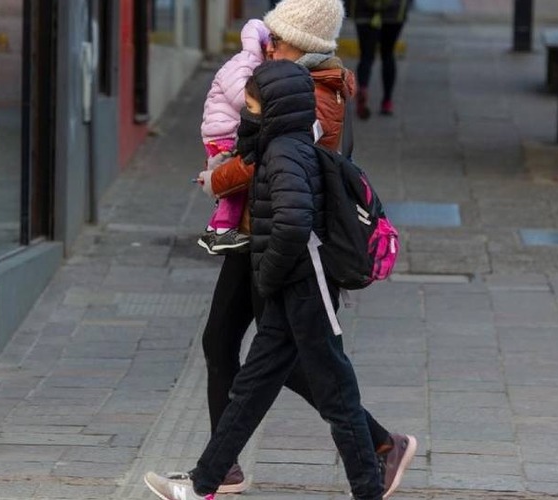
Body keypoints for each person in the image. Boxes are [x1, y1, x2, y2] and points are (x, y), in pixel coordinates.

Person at [194, 0, 416, 496]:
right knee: (229, 344)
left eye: (279, 39)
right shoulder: (290, 82)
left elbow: (281, 164)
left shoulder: (314, 96)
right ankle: (221, 468)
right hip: (259, 230)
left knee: (290, 359)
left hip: (284, 243)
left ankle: (379, 447)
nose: (269, 46)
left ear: (305, 45)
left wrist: (219, 178)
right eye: (269, 36)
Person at [146, 59, 387, 500]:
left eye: (253, 102)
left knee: (336, 393)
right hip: (291, 285)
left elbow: (294, 224)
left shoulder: (285, 154)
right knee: (252, 388)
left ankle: (369, 488)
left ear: (274, 106)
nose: (247, 111)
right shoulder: (281, 147)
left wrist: (268, 271)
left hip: (305, 285)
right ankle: (204, 484)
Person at [198, 19, 270, 255]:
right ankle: (223, 231)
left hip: (221, 130)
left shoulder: (249, 62)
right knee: (233, 186)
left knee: (229, 180)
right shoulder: (244, 63)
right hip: (223, 133)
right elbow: (242, 97)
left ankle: (213, 228)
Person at [350, 0, 411, 118]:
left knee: (366, 56)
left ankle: (363, 88)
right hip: (394, 12)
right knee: (388, 54)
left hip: (363, 11)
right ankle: (387, 101)